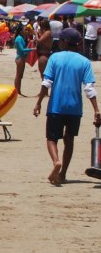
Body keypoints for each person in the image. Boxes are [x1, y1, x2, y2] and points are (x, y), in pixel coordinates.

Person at [33, 28, 100, 186]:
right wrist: (97, 110)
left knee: (51, 138)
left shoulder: (55, 58)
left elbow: (46, 83)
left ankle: (56, 161)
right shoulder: (84, 62)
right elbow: (89, 88)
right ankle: (62, 174)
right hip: (75, 108)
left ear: (63, 42)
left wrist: (39, 102)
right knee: (69, 139)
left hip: (56, 106)